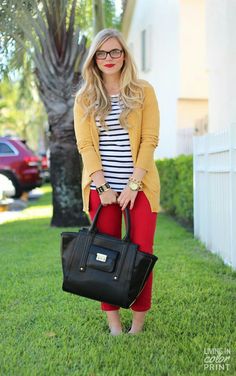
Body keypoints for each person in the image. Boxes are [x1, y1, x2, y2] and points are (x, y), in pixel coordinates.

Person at [73, 28, 160, 336]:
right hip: (103, 190)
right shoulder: (85, 98)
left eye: (115, 52)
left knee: (141, 254)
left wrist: (133, 185)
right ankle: (114, 326)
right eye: (102, 53)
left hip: (141, 187)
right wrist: (103, 187)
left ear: (124, 55)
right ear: (94, 59)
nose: (108, 58)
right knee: (102, 255)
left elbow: (149, 140)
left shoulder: (143, 91)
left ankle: (137, 325)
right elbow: (86, 146)